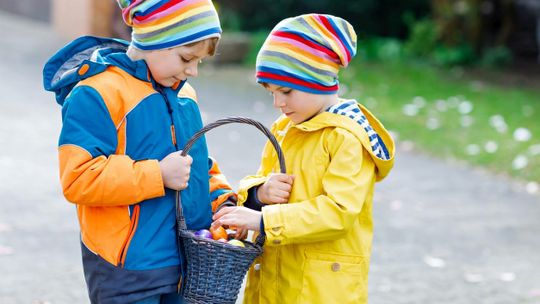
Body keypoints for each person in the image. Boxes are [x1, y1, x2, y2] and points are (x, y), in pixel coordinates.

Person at [42, 1, 237, 303]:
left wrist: (224, 202)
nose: (193, 71)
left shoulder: (185, 94)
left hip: (189, 263)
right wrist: (157, 174)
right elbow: (78, 178)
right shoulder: (96, 93)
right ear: (154, 40)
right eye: (187, 58)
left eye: (199, 62)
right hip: (127, 272)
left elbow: (196, 167)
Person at [211, 14, 395, 303]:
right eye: (271, 92)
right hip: (276, 276)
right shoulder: (284, 129)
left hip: (320, 288)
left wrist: (263, 220)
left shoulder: (346, 138)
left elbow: (338, 213)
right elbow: (264, 179)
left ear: (317, 80)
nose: (278, 103)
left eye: (286, 91)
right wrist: (260, 192)